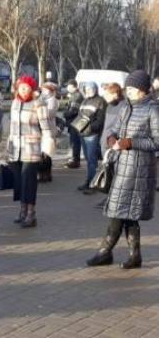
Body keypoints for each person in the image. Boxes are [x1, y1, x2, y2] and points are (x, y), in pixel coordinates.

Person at [86, 70, 159, 269]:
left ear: (143, 90)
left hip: (140, 169)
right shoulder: (126, 106)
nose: (129, 91)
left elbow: (156, 142)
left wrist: (129, 142)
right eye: (128, 88)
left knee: (120, 211)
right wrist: (112, 137)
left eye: (133, 88)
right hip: (121, 165)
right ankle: (135, 255)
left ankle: (105, 251)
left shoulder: (153, 109)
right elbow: (115, 129)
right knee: (126, 212)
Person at [8, 76, 54, 228]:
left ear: (32, 89)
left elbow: (46, 128)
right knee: (19, 181)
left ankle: (30, 213)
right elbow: (12, 127)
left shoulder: (38, 104)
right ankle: (22, 210)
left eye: (27, 87)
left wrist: (46, 149)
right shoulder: (15, 103)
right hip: (16, 148)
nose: (23, 90)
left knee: (29, 181)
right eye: (21, 87)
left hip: (31, 148)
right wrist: (7, 149)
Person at [74, 82, 107, 194]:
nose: (88, 90)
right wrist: (78, 125)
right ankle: (88, 181)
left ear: (95, 89)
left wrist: (90, 127)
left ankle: (93, 184)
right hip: (83, 133)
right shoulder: (84, 100)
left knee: (92, 160)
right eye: (86, 89)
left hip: (92, 134)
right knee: (88, 160)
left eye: (90, 88)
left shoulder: (100, 101)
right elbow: (80, 115)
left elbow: (100, 120)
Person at [37, 82, 59, 183]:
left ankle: (46, 174)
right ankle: (41, 173)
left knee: (47, 153)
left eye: (45, 89)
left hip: (48, 129)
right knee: (41, 153)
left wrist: (40, 108)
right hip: (40, 129)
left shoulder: (52, 100)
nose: (43, 91)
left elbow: (49, 114)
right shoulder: (41, 99)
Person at [64, 80, 84, 169]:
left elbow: (73, 111)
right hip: (73, 121)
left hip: (75, 121)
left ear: (74, 86)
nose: (67, 88)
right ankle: (74, 159)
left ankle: (75, 160)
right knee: (74, 142)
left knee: (75, 142)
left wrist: (65, 114)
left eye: (69, 86)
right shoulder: (74, 95)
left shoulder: (77, 96)